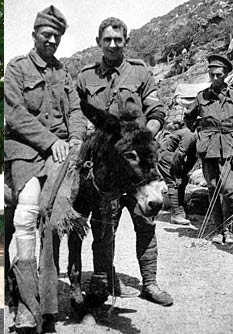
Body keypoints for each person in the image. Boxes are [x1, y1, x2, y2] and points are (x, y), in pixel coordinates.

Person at [75, 17, 173, 306]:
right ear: (98, 42)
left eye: (118, 39)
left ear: (126, 42)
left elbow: (157, 112)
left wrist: (141, 136)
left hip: (137, 166)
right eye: (107, 39)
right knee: (104, 227)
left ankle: (150, 283)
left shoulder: (141, 73)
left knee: (146, 223)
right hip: (106, 169)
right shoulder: (85, 77)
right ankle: (103, 281)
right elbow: (78, 117)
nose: (113, 44)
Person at [4, 5, 87, 333]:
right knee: (25, 217)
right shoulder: (17, 68)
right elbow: (14, 114)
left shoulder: (64, 72)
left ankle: (48, 307)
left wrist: (77, 137)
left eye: (57, 36)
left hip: (61, 155)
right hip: (26, 152)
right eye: (46, 34)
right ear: (34, 35)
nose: (51, 40)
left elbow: (76, 110)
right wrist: (51, 141)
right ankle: (26, 306)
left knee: (54, 223)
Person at [184, 54, 233, 244]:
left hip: (230, 144)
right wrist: (199, 131)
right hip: (208, 146)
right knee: (213, 187)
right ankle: (219, 228)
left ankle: (229, 228)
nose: (214, 78)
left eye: (218, 75)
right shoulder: (201, 97)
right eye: (211, 74)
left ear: (226, 75)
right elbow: (188, 117)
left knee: (229, 189)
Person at [157, 121, 197, 225]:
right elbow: (179, 154)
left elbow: (192, 158)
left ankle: (180, 212)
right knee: (174, 183)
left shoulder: (196, 137)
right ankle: (175, 215)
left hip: (173, 157)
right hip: (166, 156)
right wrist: (177, 172)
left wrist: (185, 172)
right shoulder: (190, 135)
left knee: (182, 181)